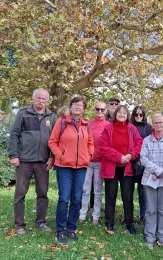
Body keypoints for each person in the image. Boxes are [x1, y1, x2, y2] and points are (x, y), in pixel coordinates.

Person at [7, 88, 57, 235]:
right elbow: (14, 135)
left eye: (43, 99)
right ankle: (19, 225)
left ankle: (40, 222)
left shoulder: (52, 117)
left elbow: (55, 139)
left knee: (42, 193)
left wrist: (52, 156)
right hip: (24, 162)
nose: (40, 101)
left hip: (43, 162)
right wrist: (13, 155)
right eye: (38, 98)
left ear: (47, 100)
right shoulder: (23, 113)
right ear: (33, 99)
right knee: (20, 193)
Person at [48, 96, 94, 244]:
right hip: (64, 167)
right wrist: (59, 155)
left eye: (80, 105)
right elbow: (52, 141)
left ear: (84, 108)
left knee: (77, 198)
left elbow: (90, 142)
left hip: (81, 167)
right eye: (75, 104)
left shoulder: (87, 124)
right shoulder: (62, 122)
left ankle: (71, 229)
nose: (77, 107)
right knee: (64, 198)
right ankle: (60, 230)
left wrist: (89, 155)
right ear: (71, 106)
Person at [99, 105, 143, 235]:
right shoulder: (108, 128)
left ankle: (129, 223)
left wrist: (130, 156)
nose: (122, 114)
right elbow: (103, 147)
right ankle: (109, 222)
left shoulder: (131, 128)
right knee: (110, 196)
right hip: (111, 167)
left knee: (128, 196)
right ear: (115, 114)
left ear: (127, 115)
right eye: (120, 112)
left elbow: (139, 144)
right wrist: (119, 157)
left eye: (124, 113)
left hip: (127, 168)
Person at [140, 114, 163, 249]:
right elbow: (143, 158)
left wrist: (162, 173)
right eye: (156, 122)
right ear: (152, 124)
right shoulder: (147, 140)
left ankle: (162, 237)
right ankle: (150, 237)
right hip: (150, 179)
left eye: (161, 122)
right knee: (150, 209)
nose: (158, 125)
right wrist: (156, 171)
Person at [79, 101, 109, 225]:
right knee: (85, 189)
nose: (100, 112)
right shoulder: (88, 124)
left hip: (101, 162)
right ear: (94, 110)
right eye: (97, 109)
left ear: (106, 111)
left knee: (97, 190)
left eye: (102, 109)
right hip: (88, 161)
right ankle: (82, 213)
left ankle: (95, 215)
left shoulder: (108, 125)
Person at [131, 106, 154, 225]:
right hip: (130, 162)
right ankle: (128, 215)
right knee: (128, 191)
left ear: (144, 115)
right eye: (136, 114)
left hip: (144, 163)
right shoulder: (129, 126)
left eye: (141, 115)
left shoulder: (149, 128)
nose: (138, 117)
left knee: (142, 191)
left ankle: (143, 215)